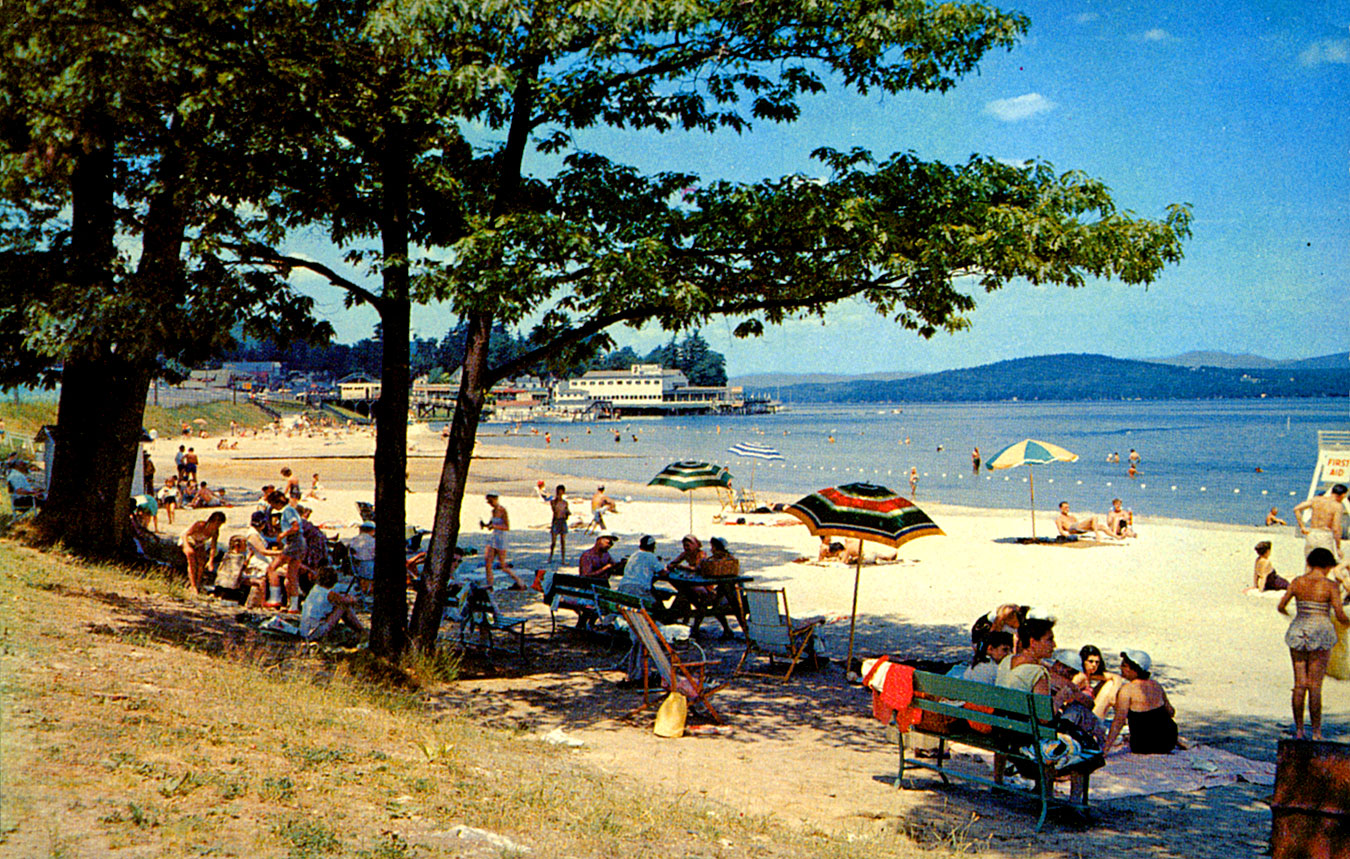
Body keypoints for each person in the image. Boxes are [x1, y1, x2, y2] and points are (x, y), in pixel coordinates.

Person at [1277, 548, 1350, 739]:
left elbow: (1281, 606)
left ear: (1309, 563)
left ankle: (1299, 730)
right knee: (1315, 685)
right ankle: (1316, 732)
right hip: (1321, 632)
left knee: (1299, 684)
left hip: (1298, 630)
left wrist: (1293, 615)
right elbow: (1340, 615)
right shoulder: (1330, 586)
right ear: (1327, 566)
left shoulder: (1297, 582)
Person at [1102, 650, 1178, 754]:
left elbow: (1119, 722)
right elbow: (1171, 712)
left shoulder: (1127, 690)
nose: (1120, 668)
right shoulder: (1156, 685)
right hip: (1169, 741)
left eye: (1124, 665)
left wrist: (1106, 749)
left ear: (1134, 669)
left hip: (1144, 745)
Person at [299, 567, 365, 642]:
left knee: (339, 606)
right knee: (343, 606)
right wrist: (351, 598)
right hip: (314, 633)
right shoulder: (329, 594)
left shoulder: (316, 588)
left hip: (305, 631)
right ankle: (361, 631)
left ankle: (359, 630)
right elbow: (349, 601)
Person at [481, 493, 526, 590]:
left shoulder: (502, 510)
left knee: (503, 565)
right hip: (494, 538)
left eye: (491, 501)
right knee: (487, 561)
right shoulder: (493, 511)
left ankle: (519, 581)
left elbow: (506, 527)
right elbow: (491, 524)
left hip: (502, 539)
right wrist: (485, 525)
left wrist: (495, 526)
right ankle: (490, 584)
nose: (490, 503)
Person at [1293, 484, 1346, 560]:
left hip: (1312, 533)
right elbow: (1336, 528)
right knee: (1326, 565)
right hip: (1325, 535)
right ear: (1343, 495)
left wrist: (1302, 526)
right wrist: (1338, 547)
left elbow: (1297, 509)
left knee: (1310, 564)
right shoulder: (1337, 506)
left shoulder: (1316, 500)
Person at [1072, 644, 1125, 719]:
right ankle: (1121, 718)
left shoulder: (1090, 675)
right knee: (1110, 685)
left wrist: (1113, 694)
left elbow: (1117, 677)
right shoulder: (1080, 677)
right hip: (1081, 718)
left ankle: (1120, 717)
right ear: (1083, 661)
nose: (1094, 665)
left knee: (1110, 683)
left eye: (1097, 662)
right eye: (1090, 661)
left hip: (1086, 713)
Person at [180, 511, 226, 596]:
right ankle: (192, 585)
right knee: (192, 559)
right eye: (216, 524)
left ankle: (197, 582)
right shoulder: (200, 525)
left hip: (199, 542)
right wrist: (187, 546)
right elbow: (185, 535)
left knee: (202, 561)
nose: (217, 526)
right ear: (211, 521)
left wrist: (211, 561)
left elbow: (213, 546)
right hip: (189, 539)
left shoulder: (215, 532)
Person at [616, 535, 668, 605]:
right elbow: (662, 573)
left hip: (623, 587)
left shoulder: (634, 555)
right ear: (652, 547)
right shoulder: (650, 556)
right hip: (639, 590)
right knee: (656, 604)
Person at [348, 521, 376, 596]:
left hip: (358, 568)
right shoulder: (372, 541)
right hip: (369, 569)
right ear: (372, 531)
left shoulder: (354, 540)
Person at [547, 485, 570, 564]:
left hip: (563, 521)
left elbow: (566, 513)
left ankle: (563, 559)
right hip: (556, 521)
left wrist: (567, 513)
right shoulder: (553, 502)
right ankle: (550, 557)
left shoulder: (565, 503)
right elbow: (555, 511)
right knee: (553, 542)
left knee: (563, 542)